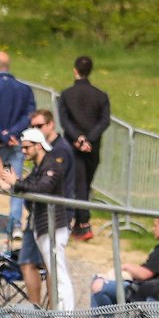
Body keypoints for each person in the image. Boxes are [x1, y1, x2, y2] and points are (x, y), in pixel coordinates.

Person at [3, 125, 75, 311]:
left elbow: (42, 188)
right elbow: (29, 185)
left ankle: (65, 314)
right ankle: (60, 314)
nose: (24, 151)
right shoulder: (39, 168)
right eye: (23, 148)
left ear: (39, 146)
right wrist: (11, 185)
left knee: (58, 271)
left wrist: (16, 183)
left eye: (27, 147)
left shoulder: (52, 165)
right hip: (43, 225)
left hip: (54, 225)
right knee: (54, 269)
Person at [0, 52, 36, 231]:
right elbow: (29, 114)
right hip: (16, 142)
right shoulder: (24, 89)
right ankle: (16, 222)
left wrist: (2, 133)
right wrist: (14, 132)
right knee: (15, 182)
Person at [58, 56, 111, 240]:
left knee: (79, 186)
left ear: (75, 70)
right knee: (84, 185)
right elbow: (104, 121)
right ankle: (81, 221)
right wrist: (90, 139)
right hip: (93, 148)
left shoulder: (67, 95)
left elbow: (65, 121)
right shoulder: (100, 95)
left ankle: (83, 224)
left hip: (74, 147)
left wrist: (79, 139)